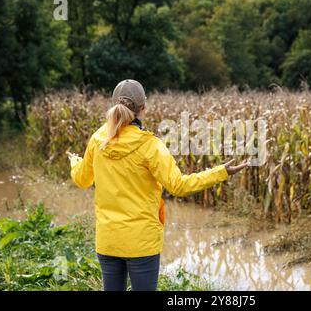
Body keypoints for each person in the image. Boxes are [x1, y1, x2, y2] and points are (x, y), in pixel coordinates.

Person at [67, 79, 249, 291]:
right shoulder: (150, 145)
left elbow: (82, 179)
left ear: (113, 105)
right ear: (143, 108)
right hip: (142, 242)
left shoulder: (98, 139)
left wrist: (75, 161)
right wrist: (221, 172)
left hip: (108, 239)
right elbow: (179, 186)